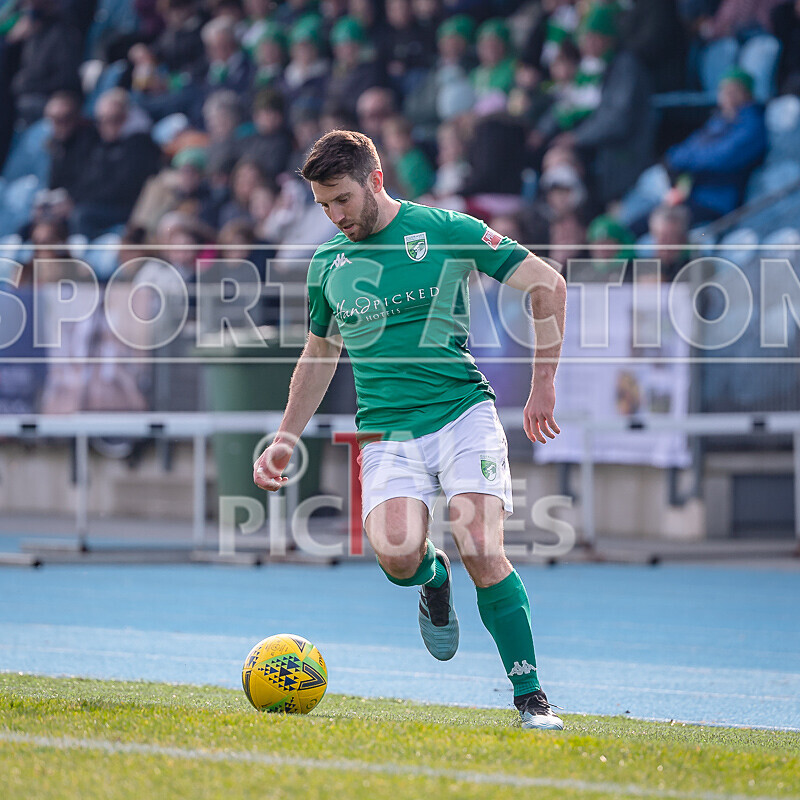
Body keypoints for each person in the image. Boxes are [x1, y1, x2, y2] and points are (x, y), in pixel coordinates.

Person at [253, 129, 567, 730]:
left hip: (461, 413)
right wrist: (286, 437)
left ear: (375, 180)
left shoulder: (447, 230)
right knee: (398, 556)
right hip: (387, 433)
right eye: (322, 206)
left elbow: (548, 284)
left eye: (342, 199)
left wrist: (544, 383)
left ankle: (531, 700)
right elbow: (318, 356)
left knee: (481, 543)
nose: (334, 216)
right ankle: (432, 578)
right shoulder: (327, 265)